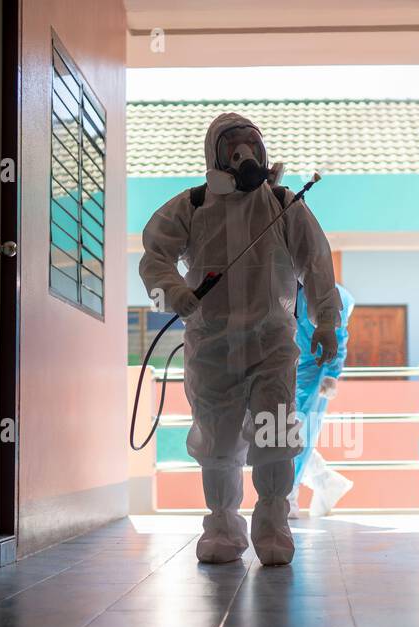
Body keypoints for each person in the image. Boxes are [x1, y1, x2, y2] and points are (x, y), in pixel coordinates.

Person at [139, 113, 341, 565]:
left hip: (272, 348)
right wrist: (176, 293)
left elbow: (318, 266)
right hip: (212, 349)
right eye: (233, 146)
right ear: (216, 154)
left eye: (252, 144)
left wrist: (326, 321)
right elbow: (155, 256)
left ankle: (273, 528)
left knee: (274, 438)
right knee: (218, 443)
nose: (244, 153)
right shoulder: (190, 207)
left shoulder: (285, 204)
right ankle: (223, 530)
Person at [288, 283, 355, 519]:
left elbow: (338, 336)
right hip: (284, 365)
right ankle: (324, 480)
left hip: (313, 369)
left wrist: (330, 374)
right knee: (276, 429)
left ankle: (289, 493)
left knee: (296, 431)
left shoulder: (324, 293)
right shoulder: (278, 285)